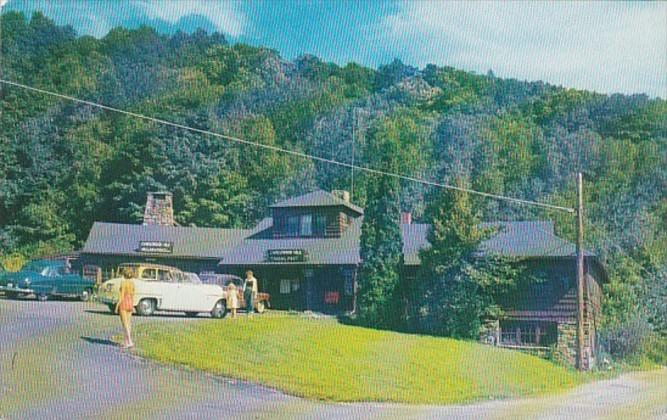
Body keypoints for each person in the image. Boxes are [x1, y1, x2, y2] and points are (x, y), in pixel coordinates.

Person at [115, 267, 136, 348]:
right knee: (129, 322)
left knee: (124, 323)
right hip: (130, 302)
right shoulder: (132, 283)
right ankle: (126, 341)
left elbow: (122, 295)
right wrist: (133, 304)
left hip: (124, 302)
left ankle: (129, 341)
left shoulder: (123, 283)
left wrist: (117, 305)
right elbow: (133, 294)